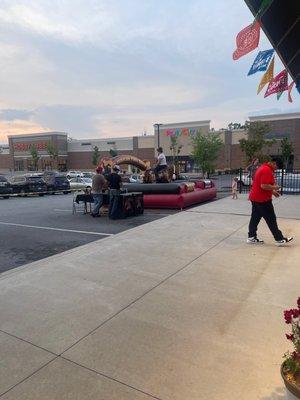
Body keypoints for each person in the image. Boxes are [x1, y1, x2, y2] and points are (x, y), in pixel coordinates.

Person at [247, 160, 293, 246]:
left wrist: (273, 191)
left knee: (255, 218)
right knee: (271, 219)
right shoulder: (266, 170)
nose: (276, 169)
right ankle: (279, 239)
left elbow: (262, 184)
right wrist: (275, 187)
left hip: (255, 198)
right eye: (277, 167)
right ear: (274, 163)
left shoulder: (262, 168)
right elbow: (263, 185)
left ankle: (251, 237)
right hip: (262, 200)